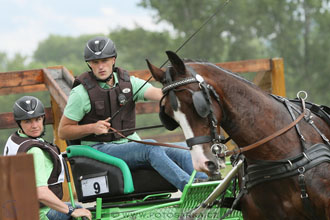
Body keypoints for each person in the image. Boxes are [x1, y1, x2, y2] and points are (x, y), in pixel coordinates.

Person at [58, 36, 208, 192]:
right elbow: (63, 131)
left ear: (113, 59)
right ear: (89, 64)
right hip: (99, 149)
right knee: (150, 148)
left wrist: (187, 96)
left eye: (105, 61)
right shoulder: (80, 93)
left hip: (129, 145)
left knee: (184, 149)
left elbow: (160, 95)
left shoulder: (129, 83)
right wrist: (92, 128)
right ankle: (191, 189)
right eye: (95, 62)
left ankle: (207, 188)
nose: (101, 66)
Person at [3, 96, 92, 220]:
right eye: (27, 121)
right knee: (81, 212)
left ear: (43, 119)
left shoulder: (15, 139)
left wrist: (60, 156)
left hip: (16, 210)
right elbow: (41, 193)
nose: (34, 125)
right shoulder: (35, 151)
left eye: (38, 119)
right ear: (20, 123)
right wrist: (71, 211)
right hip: (39, 213)